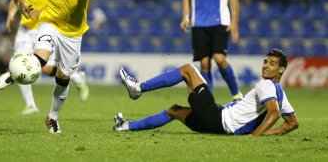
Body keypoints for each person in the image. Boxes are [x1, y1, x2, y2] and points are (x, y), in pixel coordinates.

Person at [0, 0, 99, 133]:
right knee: (41, 57)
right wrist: (22, 0)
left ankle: (52, 117)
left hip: (73, 32)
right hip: (50, 21)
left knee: (63, 78)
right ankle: (16, 73)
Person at [114, 49, 299, 136]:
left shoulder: (266, 85)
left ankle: (138, 88)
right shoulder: (280, 94)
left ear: (281, 70)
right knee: (174, 111)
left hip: (217, 118)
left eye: (272, 64)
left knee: (188, 69)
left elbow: (274, 112)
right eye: (265, 61)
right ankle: (125, 126)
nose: (266, 66)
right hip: (217, 127)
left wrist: (256, 135)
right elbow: (292, 123)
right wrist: (266, 133)